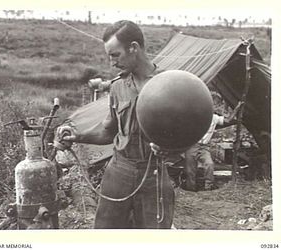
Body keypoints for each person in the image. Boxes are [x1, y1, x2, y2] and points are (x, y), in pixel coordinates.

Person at [56, 20, 174, 229]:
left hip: (153, 175)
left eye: (115, 55)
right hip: (119, 171)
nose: (111, 63)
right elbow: (108, 131)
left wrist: (171, 147)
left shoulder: (170, 85)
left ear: (134, 48)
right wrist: (77, 136)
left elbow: (187, 135)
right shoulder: (118, 87)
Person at [184, 101, 243, 191]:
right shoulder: (194, 117)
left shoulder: (214, 118)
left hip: (204, 147)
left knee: (209, 164)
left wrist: (237, 108)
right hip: (192, 145)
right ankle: (191, 188)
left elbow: (227, 120)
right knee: (190, 169)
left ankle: (208, 186)